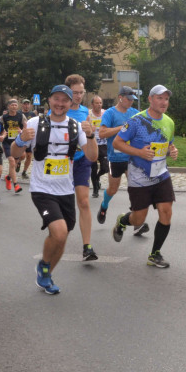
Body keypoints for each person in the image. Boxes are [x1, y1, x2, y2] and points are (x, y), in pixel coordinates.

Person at [12, 84, 98, 294]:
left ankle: (46, 271)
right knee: (59, 233)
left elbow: (92, 157)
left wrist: (92, 136)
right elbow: (15, 153)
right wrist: (20, 139)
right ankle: (45, 267)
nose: (60, 104)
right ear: (49, 101)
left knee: (63, 236)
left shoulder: (76, 126)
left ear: (71, 103)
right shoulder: (34, 123)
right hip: (42, 189)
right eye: (56, 99)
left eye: (65, 100)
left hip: (65, 190)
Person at [111, 84, 179, 268]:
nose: (164, 102)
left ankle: (155, 254)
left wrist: (173, 150)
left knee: (166, 212)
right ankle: (124, 220)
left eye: (166, 99)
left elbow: (169, 144)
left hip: (161, 175)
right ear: (150, 99)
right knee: (138, 219)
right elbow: (117, 143)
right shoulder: (136, 121)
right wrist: (139, 152)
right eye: (159, 98)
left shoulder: (169, 122)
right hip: (139, 177)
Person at [97, 86, 143, 230]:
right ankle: (104, 206)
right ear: (120, 98)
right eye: (128, 99)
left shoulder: (135, 113)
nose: (131, 102)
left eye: (132, 100)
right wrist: (122, 127)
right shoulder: (110, 113)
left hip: (131, 157)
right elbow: (102, 133)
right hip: (115, 158)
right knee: (113, 189)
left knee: (136, 188)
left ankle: (136, 220)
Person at [64, 75, 99, 261]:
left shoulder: (85, 111)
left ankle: (87, 247)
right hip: (62, 163)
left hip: (81, 160)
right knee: (65, 205)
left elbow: (89, 133)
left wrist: (90, 132)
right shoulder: (60, 110)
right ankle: (58, 238)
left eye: (81, 92)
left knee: (84, 202)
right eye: (75, 92)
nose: (78, 96)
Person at [0, 98, 26, 194]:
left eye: (15, 105)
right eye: (12, 105)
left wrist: (21, 131)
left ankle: (8, 177)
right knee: (12, 162)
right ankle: (16, 184)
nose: (14, 106)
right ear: (8, 107)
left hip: (17, 142)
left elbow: (26, 127)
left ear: (17, 106)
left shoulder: (21, 116)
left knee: (18, 160)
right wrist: (2, 134)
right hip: (7, 142)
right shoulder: (3, 117)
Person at [89, 95, 110, 197]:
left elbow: (110, 124)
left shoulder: (105, 113)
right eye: (97, 103)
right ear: (92, 104)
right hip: (93, 143)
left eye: (100, 103)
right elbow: (85, 128)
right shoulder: (89, 114)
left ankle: (97, 177)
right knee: (93, 168)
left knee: (106, 167)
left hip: (104, 144)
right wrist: (90, 130)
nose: (99, 105)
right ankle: (95, 190)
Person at [18, 99, 35, 179]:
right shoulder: (19, 114)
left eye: (28, 104)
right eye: (25, 104)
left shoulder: (32, 114)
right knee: (22, 155)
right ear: (22, 105)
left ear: (30, 105)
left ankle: (24, 172)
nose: (26, 105)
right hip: (22, 136)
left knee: (29, 156)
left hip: (30, 137)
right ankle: (18, 162)